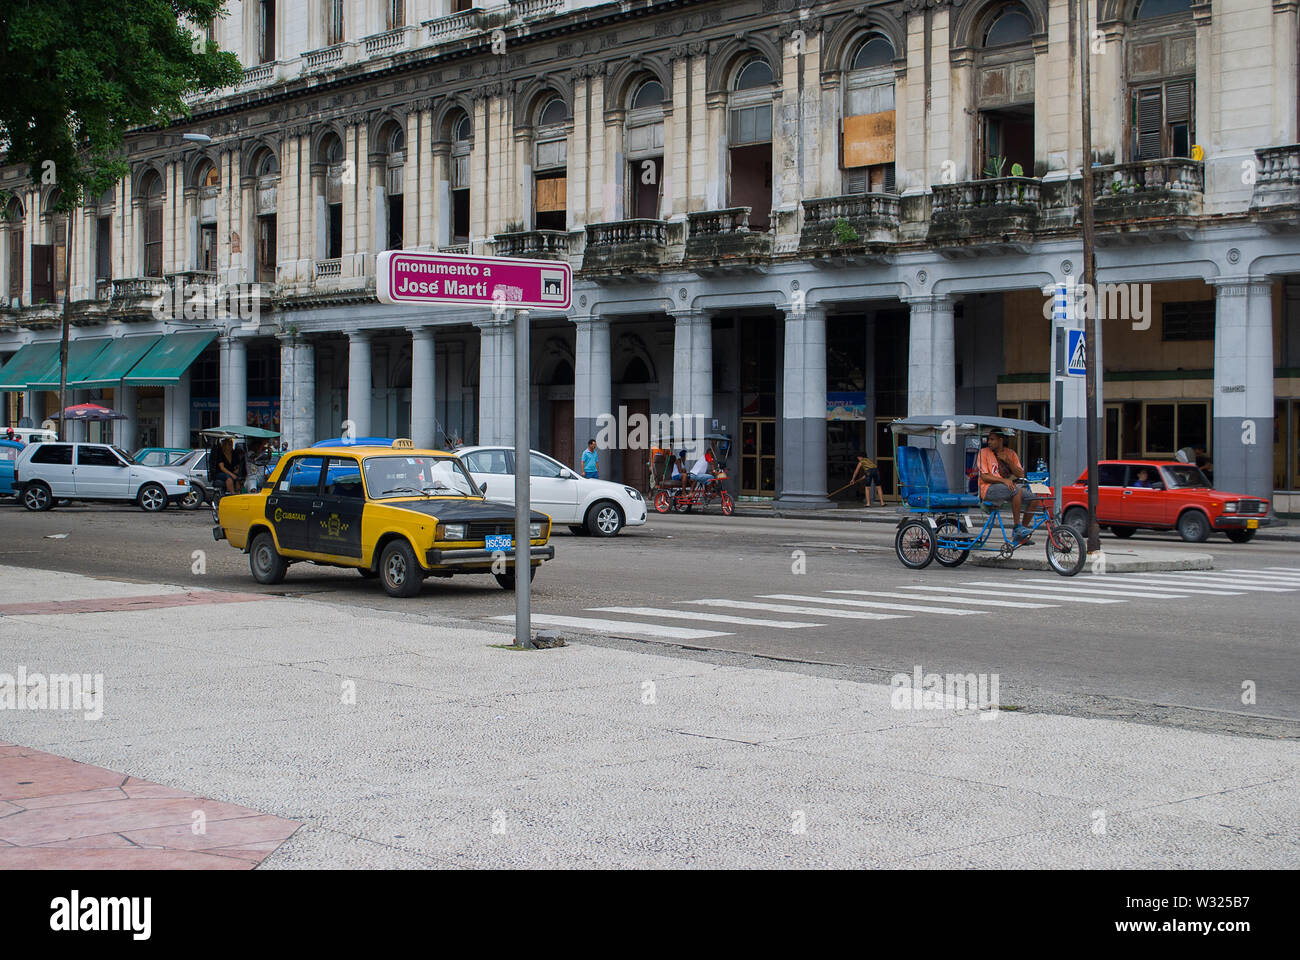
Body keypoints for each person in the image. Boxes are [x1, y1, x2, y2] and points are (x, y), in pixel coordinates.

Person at [978, 428, 1031, 543]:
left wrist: (1008, 461)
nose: (989, 442)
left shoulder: (1011, 453)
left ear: (1000, 440)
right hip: (988, 489)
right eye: (989, 439)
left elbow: (1020, 474)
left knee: (1034, 498)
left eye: (992, 439)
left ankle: (1022, 532)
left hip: (1006, 488)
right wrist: (1004, 481)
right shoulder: (984, 453)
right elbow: (984, 476)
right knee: (1017, 490)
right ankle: (1017, 527)